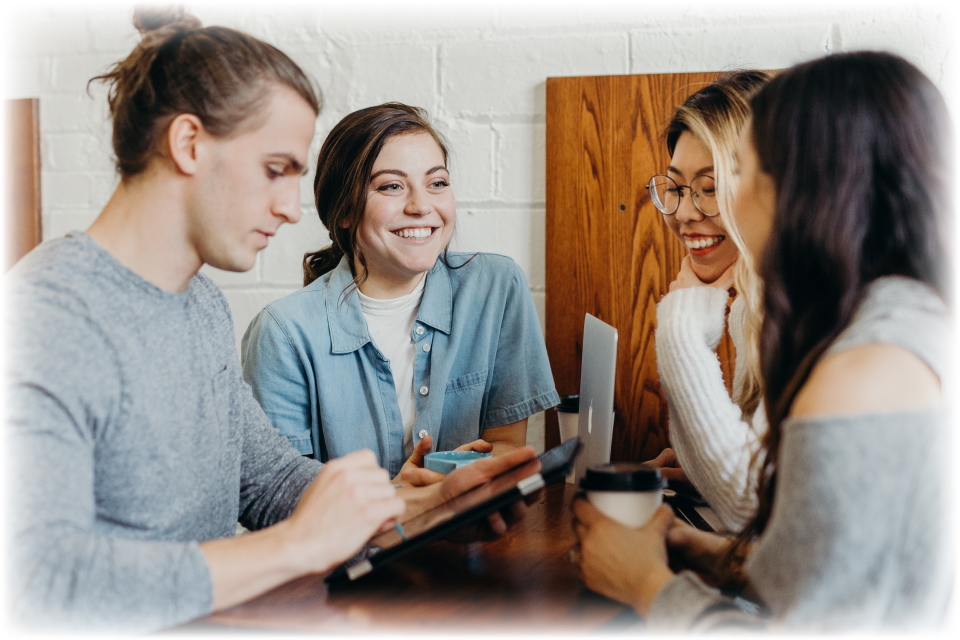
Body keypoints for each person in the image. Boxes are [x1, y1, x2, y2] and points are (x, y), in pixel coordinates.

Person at [5, 9, 537, 632]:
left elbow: (270, 482)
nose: (290, 209)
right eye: (274, 169)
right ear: (188, 145)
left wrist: (418, 510)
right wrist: (298, 546)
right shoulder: (46, 318)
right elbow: (37, 581)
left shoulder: (198, 305)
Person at [573, 51, 951, 631]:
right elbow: (830, 569)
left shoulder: (866, 369)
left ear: (805, 186)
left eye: (737, 174)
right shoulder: (888, 323)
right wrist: (717, 557)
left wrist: (646, 584)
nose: (695, 210)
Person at [241, 103, 559, 482]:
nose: (421, 206)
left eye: (437, 183)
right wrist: (403, 500)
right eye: (391, 186)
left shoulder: (496, 287)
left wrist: (469, 474)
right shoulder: (282, 333)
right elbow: (281, 497)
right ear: (343, 211)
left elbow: (507, 444)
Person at [645, 71, 771, 532]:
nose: (683, 212)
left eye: (711, 187)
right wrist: (701, 468)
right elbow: (758, 488)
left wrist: (680, 328)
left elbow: (750, 507)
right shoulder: (753, 307)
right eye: (676, 187)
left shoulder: (807, 311)